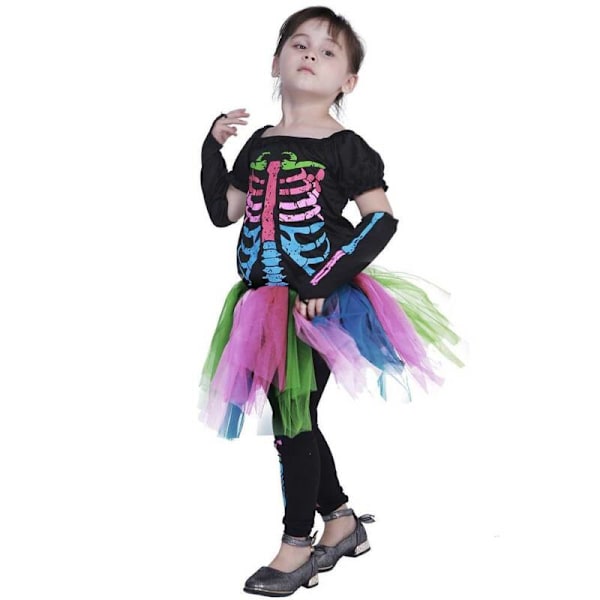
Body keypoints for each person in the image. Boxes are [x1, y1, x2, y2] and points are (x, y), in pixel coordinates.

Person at [198, 6, 464, 596]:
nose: (310, 55)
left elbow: (381, 221)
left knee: (294, 421)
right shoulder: (260, 143)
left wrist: (324, 281)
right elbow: (226, 211)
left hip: (319, 303)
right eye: (299, 44)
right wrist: (210, 149)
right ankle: (340, 521)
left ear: (348, 81)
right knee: (293, 420)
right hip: (260, 303)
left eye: (327, 51)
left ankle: (298, 545)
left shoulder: (347, 147)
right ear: (276, 62)